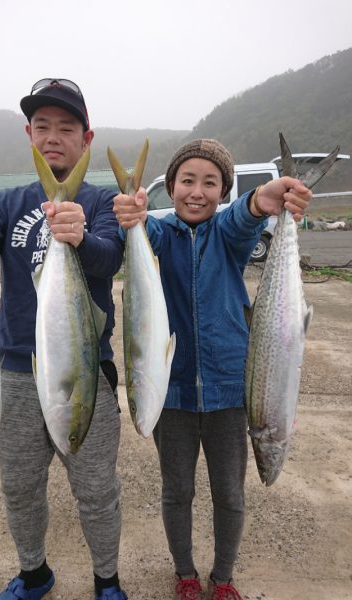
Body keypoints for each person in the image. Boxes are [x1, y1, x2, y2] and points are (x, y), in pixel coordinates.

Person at [0, 78, 127, 600]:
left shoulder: (102, 201)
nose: (52, 136)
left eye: (65, 127)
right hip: (14, 371)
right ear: (28, 133)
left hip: (85, 368)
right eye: (42, 127)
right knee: (19, 487)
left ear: (87, 138)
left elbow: (110, 257)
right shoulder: (4, 202)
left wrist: (81, 235)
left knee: (97, 488)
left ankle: (107, 579)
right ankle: (34, 572)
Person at [112, 139, 312, 600]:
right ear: (171, 187)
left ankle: (222, 578)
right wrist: (133, 215)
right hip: (173, 395)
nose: (196, 191)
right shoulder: (160, 235)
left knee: (229, 494)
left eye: (210, 182)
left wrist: (264, 198)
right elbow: (143, 232)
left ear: (223, 191)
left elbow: (248, 216)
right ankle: (184, 573)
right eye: (187, 181)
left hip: (229, 395)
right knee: (176, 491)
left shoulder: (228, 234)